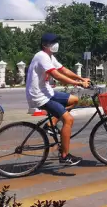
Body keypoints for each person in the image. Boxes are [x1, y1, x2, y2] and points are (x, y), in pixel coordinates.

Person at [26, 33, 90, 166]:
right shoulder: (41, 56)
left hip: (47, 92)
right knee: (68, 119)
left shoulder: (49, 56)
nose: (56, 44)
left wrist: (81, 78)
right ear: (45, 45)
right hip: (39, 96)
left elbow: (63, 70)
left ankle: (50, 125)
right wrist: (77, 84)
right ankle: (65, 156)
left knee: (74, 100)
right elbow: (56, 75)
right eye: (53, 42)